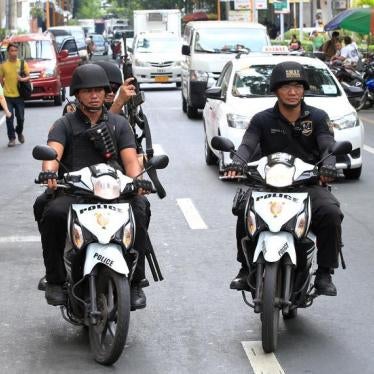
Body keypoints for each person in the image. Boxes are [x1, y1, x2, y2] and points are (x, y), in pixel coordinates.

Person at [34, 64, 152, 309]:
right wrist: (49, 173)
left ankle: (136, 281)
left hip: (115, 193)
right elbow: (52, 153)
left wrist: (139, 180)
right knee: (53, 213)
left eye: (99, 90)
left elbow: (130, 160)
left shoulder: (119, 124)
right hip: (76, 194)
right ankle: (55, 280)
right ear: (77, 94)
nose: (95, 95)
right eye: (88, 91)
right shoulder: (64, 124)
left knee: (141, 208)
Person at [225, 61, 343, 297]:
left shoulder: (318, 118)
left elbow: (327, 145)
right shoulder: (262, 119)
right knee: (244, 208)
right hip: (267, 184)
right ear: (275, 90)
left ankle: (324, 273)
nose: (293, 92)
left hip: (306, 185)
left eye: (298, 86)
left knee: (331, 213)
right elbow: (247, 144)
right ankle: (244, 267)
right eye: (286, 86)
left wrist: (329, 166)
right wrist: (237, 160)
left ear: (304, 89)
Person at [0, 43, 30, 147]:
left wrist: (22, 79)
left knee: (21, 118)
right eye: (12, 51)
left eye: (15, 51)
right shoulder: (3, 66)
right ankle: (12, 138)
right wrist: (3, 91)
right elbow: (1, 80)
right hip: (7, 96)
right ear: (8, 52)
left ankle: (19, 131)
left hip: (19, 96)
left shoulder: (22, 63)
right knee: (9, 118)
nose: (14, 53)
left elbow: (28, 77)